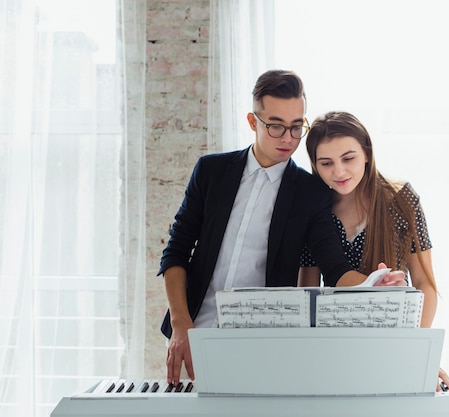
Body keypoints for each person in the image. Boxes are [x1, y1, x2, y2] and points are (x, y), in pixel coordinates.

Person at [158, 71, 405, 386]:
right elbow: (176, 251)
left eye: (296, 127)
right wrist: (181, 325)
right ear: (253, 122)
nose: (288, 138)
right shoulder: (211, 172)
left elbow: (335, 266)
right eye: (275, 126)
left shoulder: (310, 192)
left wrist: (374, 285)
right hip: (192, 335)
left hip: (263, 343)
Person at [298, 110, 449, 390]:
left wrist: (418, 355)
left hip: (394, 345)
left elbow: (424, 285)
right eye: (326, 163)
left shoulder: (401, 199)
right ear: (315, 165)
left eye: (349, 158)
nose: (339, 172)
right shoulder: (314, 210)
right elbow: (306, 295)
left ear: (367, 154)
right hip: (333, 350)